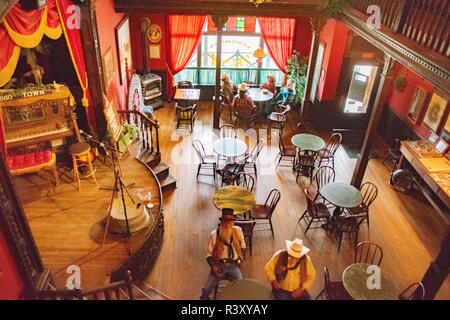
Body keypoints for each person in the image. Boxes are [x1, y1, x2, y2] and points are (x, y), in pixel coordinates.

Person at [200, 208, 246, 300]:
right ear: (221, 222)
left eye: (229, 222)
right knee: (207, 288)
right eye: (224, 221)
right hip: (219, 265)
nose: (226, 224)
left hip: (234, 265)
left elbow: (243, 247)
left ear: (233, 222)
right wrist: (213, 268)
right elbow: (209, 255)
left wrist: (240, 260)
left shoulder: (238, 231)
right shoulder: (214, 234)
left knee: (241, 286)